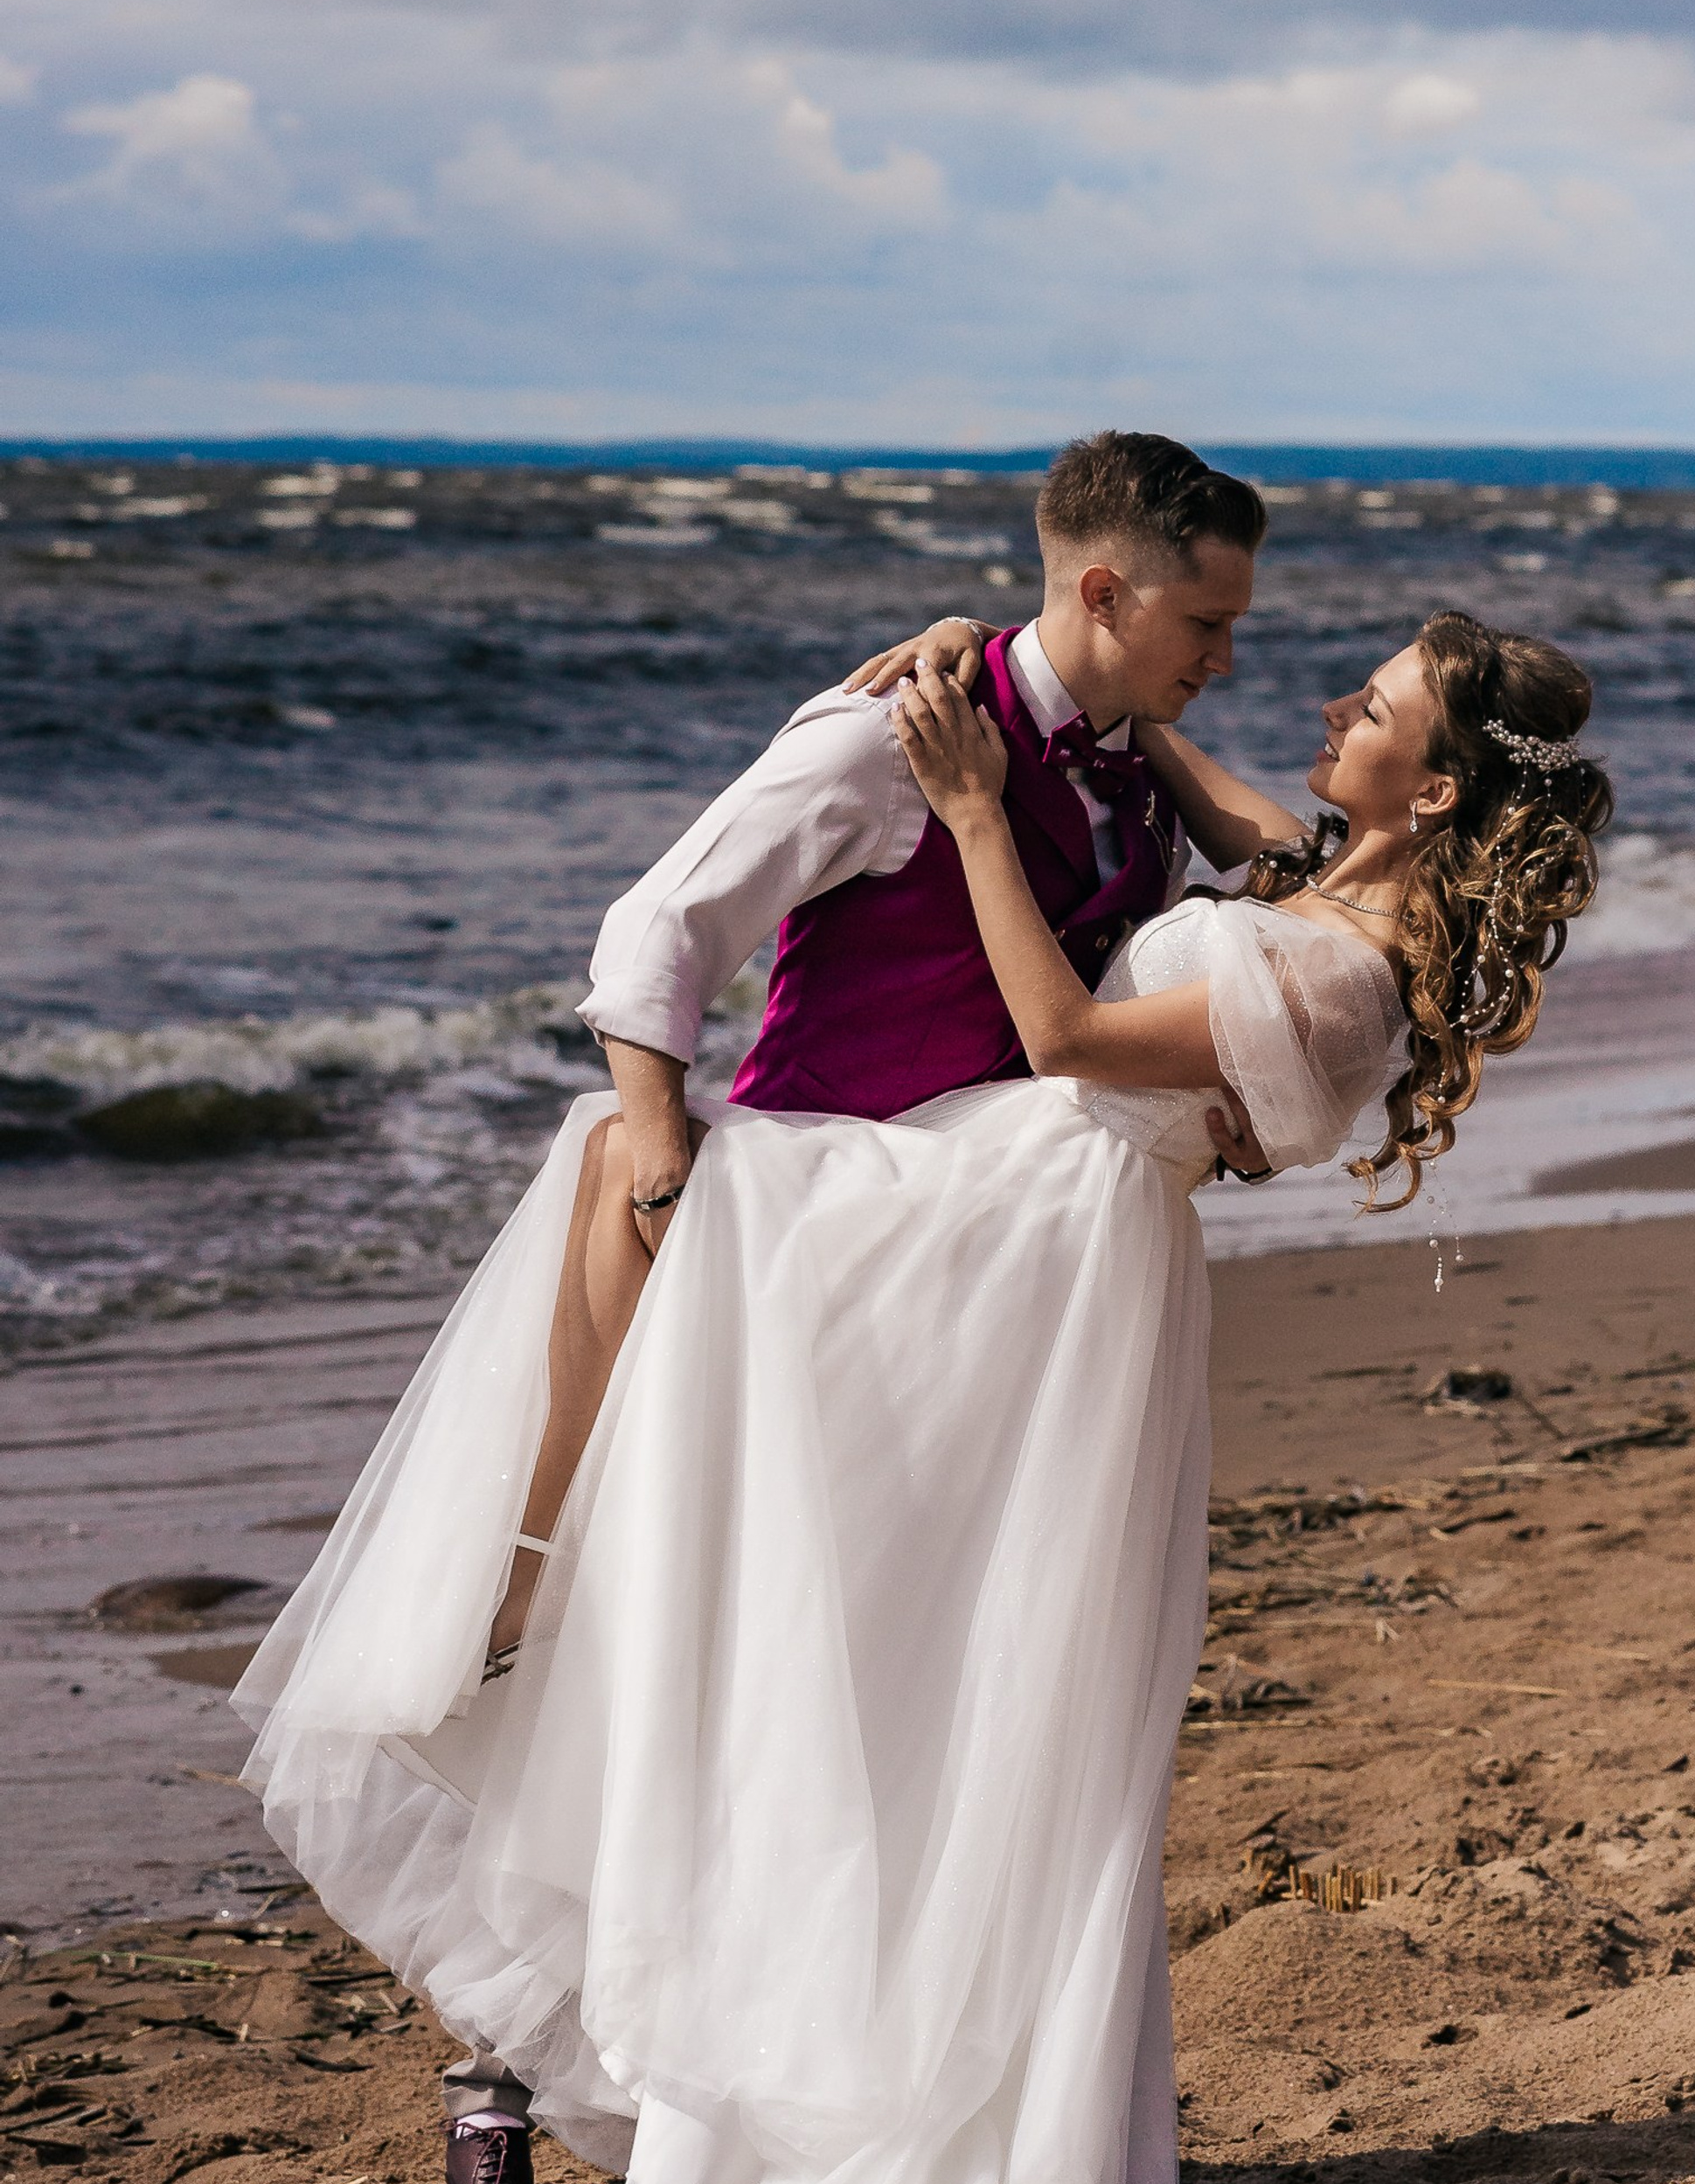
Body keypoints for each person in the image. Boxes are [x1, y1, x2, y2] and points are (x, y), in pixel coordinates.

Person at [233, 531, 1612, 2183]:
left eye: (1373, 700)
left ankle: (527, 1577)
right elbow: (1202, 778)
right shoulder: (1322, 885)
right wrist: (1025, 671)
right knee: (832, 1595)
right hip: (1022, 1212)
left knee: (642, 1178)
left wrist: (972, 809)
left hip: (1038, 1238)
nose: (1323, 697)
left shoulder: (1344, 976)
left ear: (1443, 792)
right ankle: (544, 1602)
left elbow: (1069, 1040)